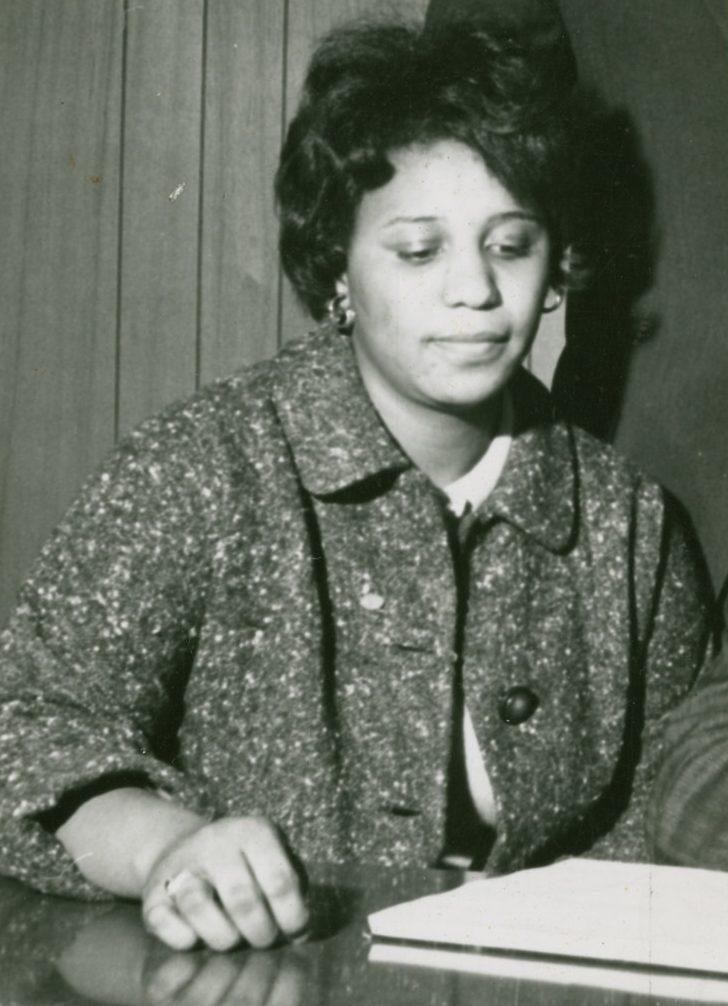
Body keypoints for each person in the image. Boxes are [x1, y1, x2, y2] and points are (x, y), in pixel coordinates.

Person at [0, 16, 712, 954]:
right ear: (337, 264)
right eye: (419, 251)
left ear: (555, 270)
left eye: (510, 245)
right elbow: (27, 727)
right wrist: (167, 845)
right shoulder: (204, 466)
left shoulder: (629, 522)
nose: (474, 291)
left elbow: (683, 791)